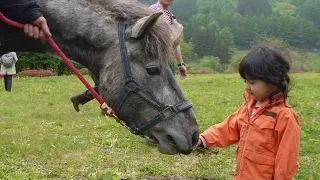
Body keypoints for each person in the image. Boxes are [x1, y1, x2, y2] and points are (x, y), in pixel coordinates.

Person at [193, 46, 301, 179]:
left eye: (252, 82)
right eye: (245, 81)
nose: (247, 87)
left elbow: (287, 159)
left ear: (274, 81)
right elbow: (229, 127)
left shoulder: (285, 116)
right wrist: (203, 139)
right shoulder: (249, 107)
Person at [150, 0, 187, 80]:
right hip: (156, 61)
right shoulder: (152, 12)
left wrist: (181, 63)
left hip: (168, 60)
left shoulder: (170, 15)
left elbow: (174, 43)